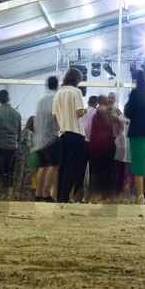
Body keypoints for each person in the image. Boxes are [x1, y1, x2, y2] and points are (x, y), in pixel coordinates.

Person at [52, 68, 88, 203]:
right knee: (72, 167)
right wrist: (84, 111)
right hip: (76, 133)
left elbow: (54, 116)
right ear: (77, 79)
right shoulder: (76, 92)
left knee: (62, 166)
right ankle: (65, 197)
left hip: (62, 133)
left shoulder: (58, 93)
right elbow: (79, 113)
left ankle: (60, 198)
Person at [123, 70, 145, 204]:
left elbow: (128, 112)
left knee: (138, 162)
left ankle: (140, 196)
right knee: (143, 161)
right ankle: (142, 195)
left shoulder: (134, 93)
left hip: (136, 131)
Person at [32, 75, 61, 200]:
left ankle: (38, 194)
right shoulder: (56, 98)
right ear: (57, 85)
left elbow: (36, 119)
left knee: (42, 167)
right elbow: (54, 117)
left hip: (39, 138)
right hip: (52, 137)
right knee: (53, 166)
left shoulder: (41, 100)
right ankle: (46, 194)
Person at [0, 89, 22, 196]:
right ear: (8, 99)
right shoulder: (17, 114)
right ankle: (8, 194)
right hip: (13, 146)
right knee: (10, 171)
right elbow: (19, 133)